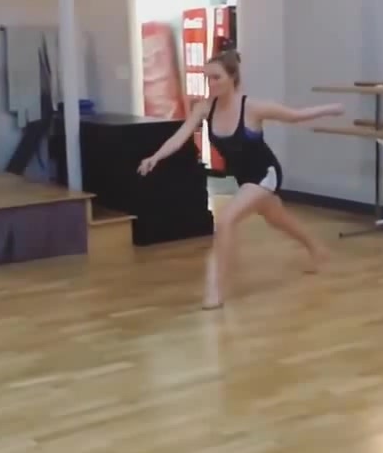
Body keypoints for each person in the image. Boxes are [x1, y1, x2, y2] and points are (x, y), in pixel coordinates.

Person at [138, 50, 344, 309]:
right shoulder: (205, 108)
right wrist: (155, 157)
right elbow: (180, 137)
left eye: (216, 78)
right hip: (243, 179)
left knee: (225, 220)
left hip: (265, 174)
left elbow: (296, 116)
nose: (211, 84)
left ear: (232, 77)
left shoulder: (253, 108)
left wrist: (331, 109)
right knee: (277, 219)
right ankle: (317, 249)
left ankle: (216, 291)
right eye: (207, 78)